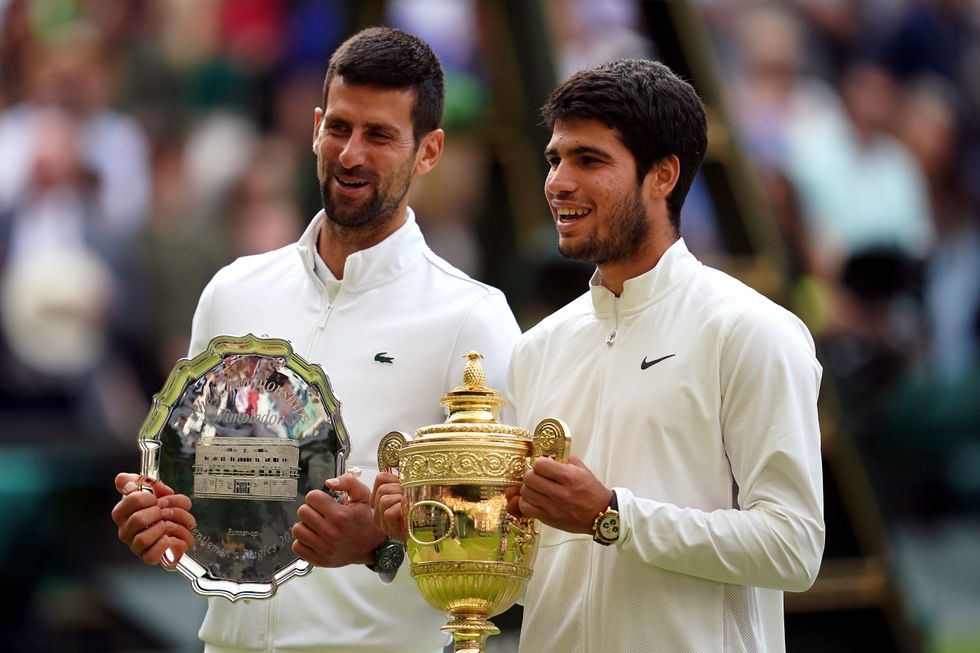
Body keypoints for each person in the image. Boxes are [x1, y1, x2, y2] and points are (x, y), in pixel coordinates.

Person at [376, 58, 824, 652]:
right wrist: (435, 524)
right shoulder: (537, 350)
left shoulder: (753, 332)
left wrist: (613, 516)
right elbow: (539, 579)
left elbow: (792, 549)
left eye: (589, 160)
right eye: (555, 159)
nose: (558, 182)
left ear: (662, 175)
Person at [110, 26, 521, 653]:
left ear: (429, 150)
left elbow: (510, 556)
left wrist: (378, 548)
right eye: (339, 127)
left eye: (380, 135)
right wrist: (159, 521)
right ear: (314, 127)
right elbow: (200, 486)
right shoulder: (233, 291)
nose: (351, 153)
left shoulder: (473, 318)